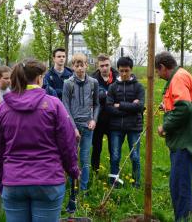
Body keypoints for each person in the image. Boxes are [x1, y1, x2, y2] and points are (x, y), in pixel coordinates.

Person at [0, 59, 79, 222]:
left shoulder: (2, 108)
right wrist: (73, 171)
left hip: (14, 180)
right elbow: (67, 143)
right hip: (48, 179)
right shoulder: (54, 105)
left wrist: (2, 179)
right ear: (39, 78)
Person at [155, 52, 192, 221]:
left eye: (157, 71)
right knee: (182, 180)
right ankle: (189, 214)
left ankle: (182, 218)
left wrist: (165, 126)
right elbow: (180, 102)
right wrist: (167, 105)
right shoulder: (181, 74)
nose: (157, 75)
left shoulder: (177, 78)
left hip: (184, 141)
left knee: (179, 184)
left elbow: (184, 108)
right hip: (184, 138)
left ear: (163, 67)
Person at [62, 53, 99, 195]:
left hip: (88, 126)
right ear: (72, 67)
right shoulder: (68, 84)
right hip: (73, 126)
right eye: (76, 65)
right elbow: (65, 107)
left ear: (86, 65)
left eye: (82, 64)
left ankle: (83, 189)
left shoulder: (93, 83)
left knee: (84, 158)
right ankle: (73, 188)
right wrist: (73, 128)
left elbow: (96, 104)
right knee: (72, 158)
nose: (79, 68)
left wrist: (94, 119)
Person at [106, 56, 145, 188]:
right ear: (118, 70)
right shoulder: (112, 87)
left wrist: (120, 105)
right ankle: (113, 183)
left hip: (134, 126)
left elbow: (140, 107)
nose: (124, 74)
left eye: (126, 71)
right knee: (115, 156)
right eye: (121, 71)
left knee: (135, 156)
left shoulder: (138, 87)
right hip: (116, 127)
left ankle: (136, 183)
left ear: (131, 70)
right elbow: (109, 108)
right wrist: (130, 108)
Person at [91, 54, 118, 173]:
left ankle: (114, 173)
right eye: (102, 66)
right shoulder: (92, 79)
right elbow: (92, 97)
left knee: (114, 149)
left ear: (110, 64)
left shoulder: (118, 77)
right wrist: (108, 96)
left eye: (107, 65)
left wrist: (103, 95)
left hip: (114, 119)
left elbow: (121, 95)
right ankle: (94, 172)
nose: (105, 68)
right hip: (98, 119)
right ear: (98, 66)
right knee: (96, 148)